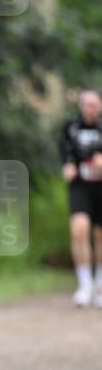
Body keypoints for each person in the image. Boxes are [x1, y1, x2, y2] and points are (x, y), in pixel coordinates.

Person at [59, 87, 102, 308]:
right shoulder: (71, 127)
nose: (89, 109)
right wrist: (66, 166)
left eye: (93, 104)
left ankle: (100, 284)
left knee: (100, 236)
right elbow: (64, 152)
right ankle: (84, 285)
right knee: (79, 229)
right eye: (86, 104)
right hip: (80, 186)